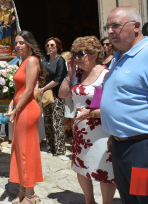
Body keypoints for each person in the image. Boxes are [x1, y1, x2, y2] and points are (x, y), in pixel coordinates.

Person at [101, 6, 148, 204]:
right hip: (120, 146)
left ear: (136, 26)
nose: (109, 32)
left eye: (116, 26)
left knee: (146, 200)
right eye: (107, 27)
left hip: (143, 149)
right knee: (130, 200)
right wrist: (114, 133)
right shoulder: (118, 57)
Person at [58, 36, 116, 204]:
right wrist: (69, 74)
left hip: (102, 131)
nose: (77, 57)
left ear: (94, 54)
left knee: (105, 170)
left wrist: (91, 113)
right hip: (81, 132)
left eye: (81, 53)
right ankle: (89, 201)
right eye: (74, 54)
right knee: (81, 168)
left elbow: (114, 106)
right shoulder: (76, 75)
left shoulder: (107, 74)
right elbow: (62, 94)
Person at [5, 31, 44, 204]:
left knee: (26, 151)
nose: (18, 46)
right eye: (16, 43)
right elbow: (19, 89)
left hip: (27, 109)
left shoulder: (32, 60)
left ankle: (31, 195)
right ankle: (23, 189)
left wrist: (16, 109)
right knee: (19, 150)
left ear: (29, 43)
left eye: (21, 42)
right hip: (20, 108)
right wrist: (12, 105)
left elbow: (29, 90)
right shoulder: (22, 62)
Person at [41, 37, 67, 156]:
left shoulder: (60, 60)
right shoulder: (44, 60)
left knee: (57, 122)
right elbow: (40, 74)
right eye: (48, 45)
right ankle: (50, 146)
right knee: (47, 121)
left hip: (56, 94)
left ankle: (60, 148)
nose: (50, 48)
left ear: (58, 47)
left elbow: (57, 79)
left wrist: (44, 88)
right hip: (46, 94)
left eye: (52, 45)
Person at [61, 51, 74, 136]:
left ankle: (67, 132)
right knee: (72, 115)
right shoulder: (71, 66)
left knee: (67, 115)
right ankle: (71, 134)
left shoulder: (65, 65)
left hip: (66, 92)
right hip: (71, 92)